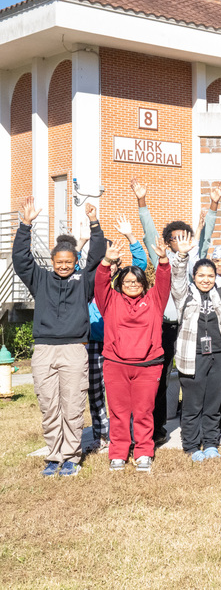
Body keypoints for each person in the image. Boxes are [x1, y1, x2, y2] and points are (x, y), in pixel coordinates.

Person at [14, 198, 104, 477]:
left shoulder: (84, 282)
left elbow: (97, 258)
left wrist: (94, 223)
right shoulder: (40, 279)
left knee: (73, 404)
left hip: (74, 350)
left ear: (76, 261)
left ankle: (72, 457)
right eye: (59, 262)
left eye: (68, 261)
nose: (63, 266)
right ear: (52, 262)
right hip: (44, 350)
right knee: (49, 404)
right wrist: (25, 226)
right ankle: (54, 456)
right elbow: (21, 259)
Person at [132, 178, 221, 445]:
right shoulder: (163, 258)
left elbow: (206, 237)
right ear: (168, 242)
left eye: (186, 237)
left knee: (196, 378)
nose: (182, 241)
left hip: (194, 328)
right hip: (165, 327)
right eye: (176, 238)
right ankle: (158, 427)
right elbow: (148, 234)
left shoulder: (197, 261)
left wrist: (214, 205)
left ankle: (199, 425)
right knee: (158, 379)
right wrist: (142, 202)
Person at [171, 230, 221, 462]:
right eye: (201, 275)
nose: (206, 279)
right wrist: (182, 256)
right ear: (194, 276)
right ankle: (192, 446)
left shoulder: (220, 296)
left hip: (218, 357)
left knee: (214, 404)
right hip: (192, 358)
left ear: (215, 277)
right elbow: (177, 279)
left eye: (210, 275)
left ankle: (211, 443)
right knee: (193, 404)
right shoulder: (184, 297)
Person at [94, 237, 171, 473]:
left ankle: (143, 451)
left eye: (137, 281)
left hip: (148, 365)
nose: (132, 284)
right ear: (120, 284)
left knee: (143, 411)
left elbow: (164, 281)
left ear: (144, 284)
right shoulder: (110, 301)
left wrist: (163, 260)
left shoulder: (154, 301)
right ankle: (118, 453)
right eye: (127, 281)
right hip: (116, 364)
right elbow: (100, 283)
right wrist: (106, 261)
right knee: (118, 412)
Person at [84, 216, 149, 453]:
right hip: (93, 342)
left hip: (121, 346)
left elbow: (140, 261)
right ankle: (101, 435)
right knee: (96, 391)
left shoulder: (127, 281)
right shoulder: (90, 281)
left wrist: (130, 236)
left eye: (112, 258)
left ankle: (130, 436)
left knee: (125, 395)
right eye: (105, 258)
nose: (109, 262)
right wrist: (84, 239)